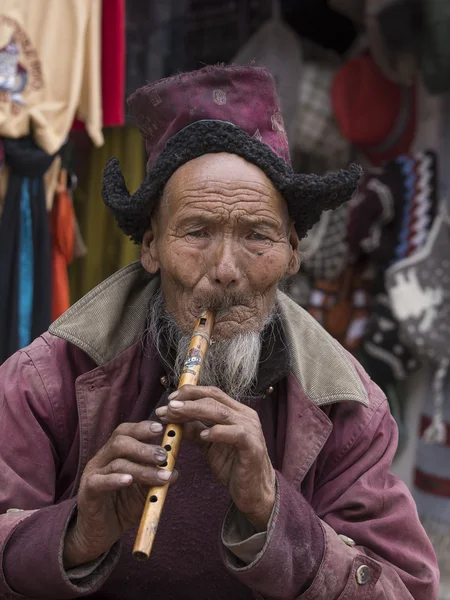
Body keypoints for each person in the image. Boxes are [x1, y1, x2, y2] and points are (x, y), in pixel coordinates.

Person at [0, 65, 438, 600]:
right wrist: (72, 536)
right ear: (151, 247)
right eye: (197, 232)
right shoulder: (47, 377)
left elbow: (407, 588)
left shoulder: (347, 406)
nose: (226, 269)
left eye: (257, 235)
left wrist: (274, 511)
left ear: (292, 252)